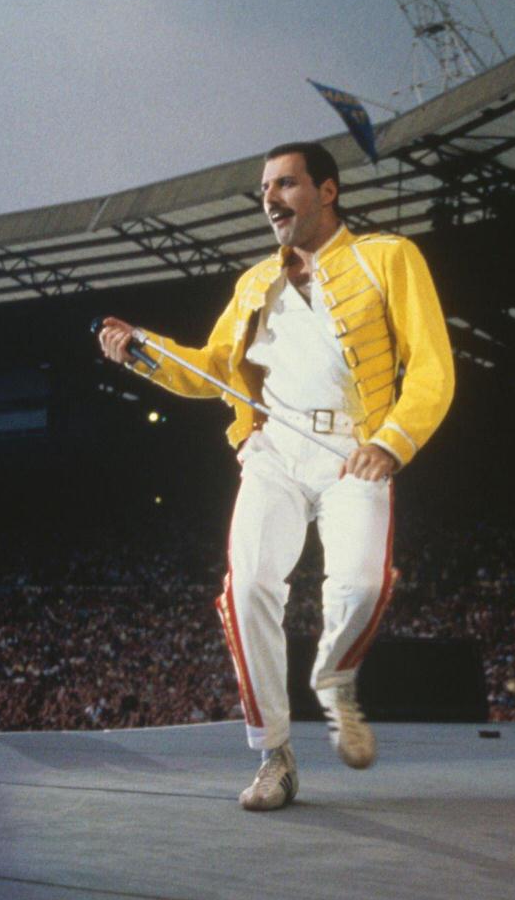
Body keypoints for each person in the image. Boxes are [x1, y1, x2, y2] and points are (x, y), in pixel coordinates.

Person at [96, 142, 455, 810]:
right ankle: (274, 754)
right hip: (271, 451)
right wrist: (142, 352)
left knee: (365, 582)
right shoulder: (253, 283)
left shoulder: (389, 258)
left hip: (355, 447)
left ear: (328, 190)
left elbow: (434, 369)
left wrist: (393, 441)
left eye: (286, 183)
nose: (270, 197)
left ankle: (335, 674)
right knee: (248, 587)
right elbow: (208, 368)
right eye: (265, 187)